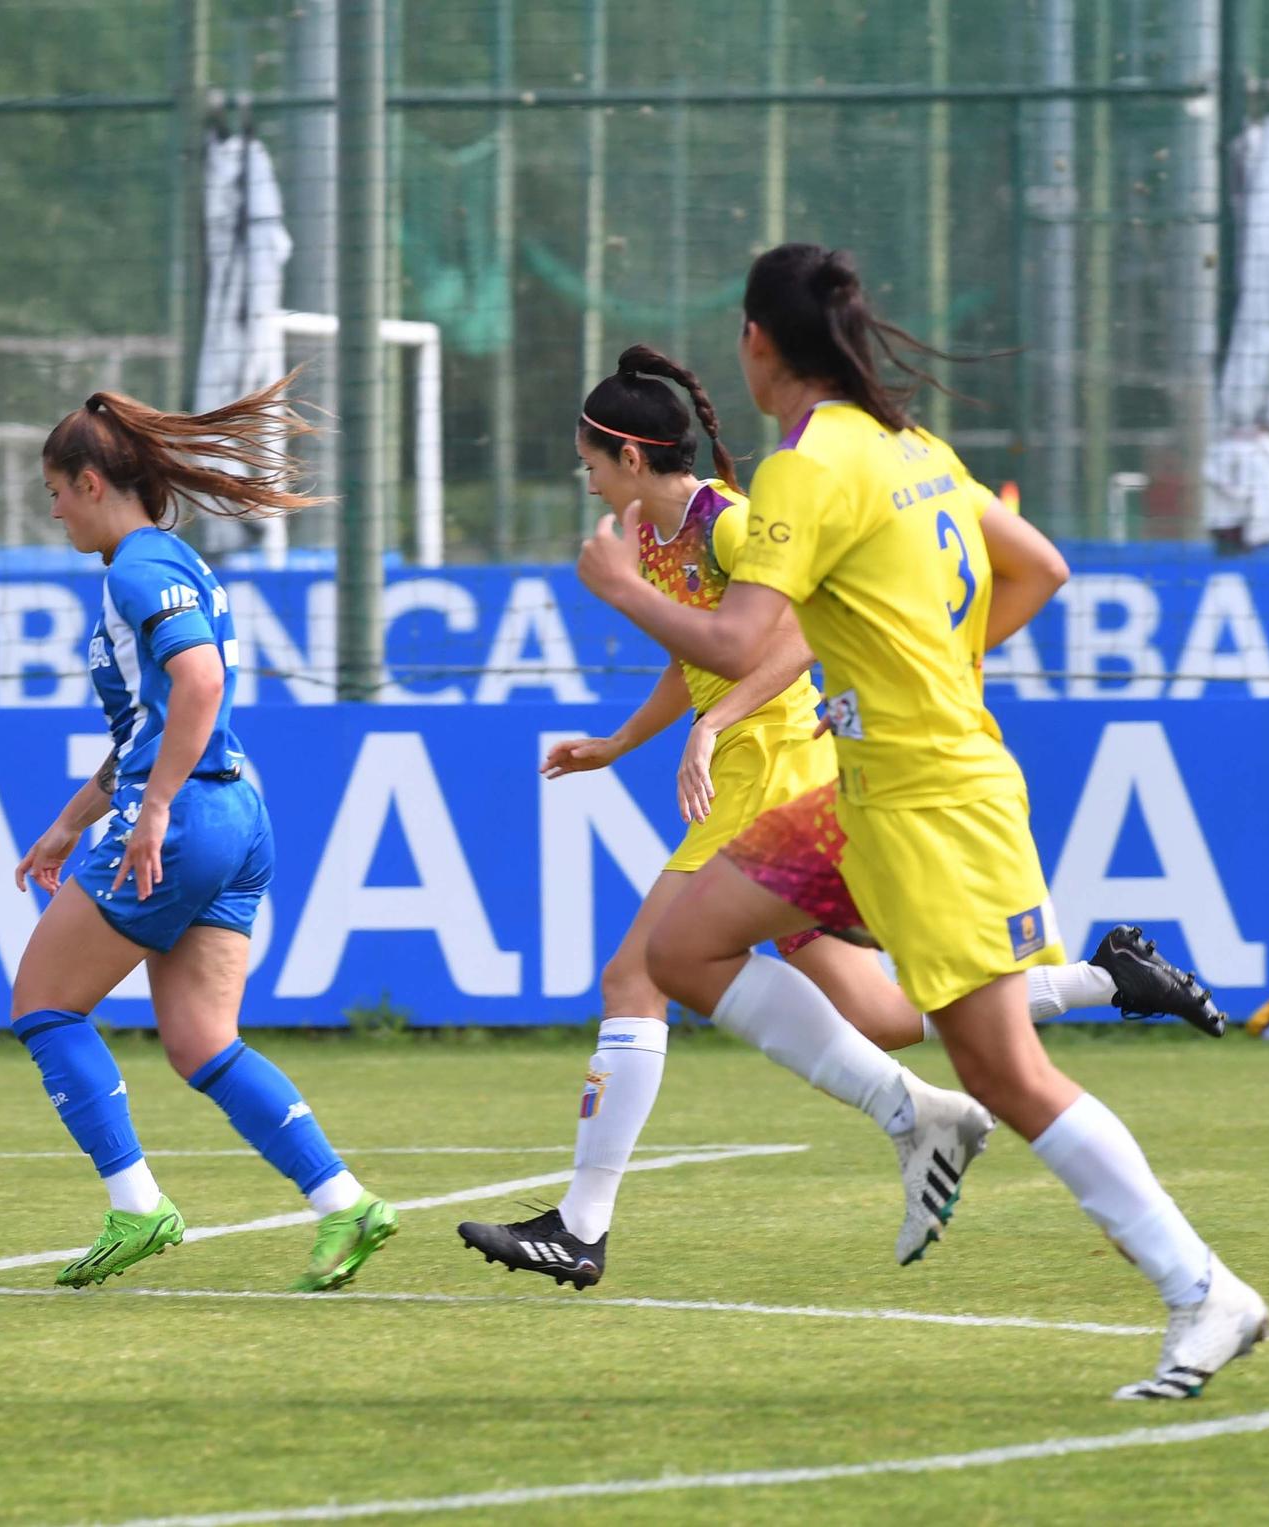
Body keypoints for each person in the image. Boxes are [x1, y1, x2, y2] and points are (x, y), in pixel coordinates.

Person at [576, 244, 1268, 1401]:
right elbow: (1038, 568)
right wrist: (926, 667)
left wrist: (623, 591)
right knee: (680, 948)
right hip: (862, 790)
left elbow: (742, 644)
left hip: (931, 801)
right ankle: (917, 1116)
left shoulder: (805, 470)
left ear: (757, 342)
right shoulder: (910, 448)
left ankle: (1204, 1293)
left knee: (1006, 1071)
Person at [460, 346, 1225, 1291]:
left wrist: (717, 727)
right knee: (886, 1015)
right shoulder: (655, 537)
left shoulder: (730, 522)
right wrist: (620, 743)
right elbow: (693, 656)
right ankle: (1105, 981)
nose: (584, 477)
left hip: (772, 770)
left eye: (587, 460)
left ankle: (581, 1224)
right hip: (768, 769)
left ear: (624, 453)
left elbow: (787, 640)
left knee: (638, 974)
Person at [12, 385, 398, 1290]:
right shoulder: (173, 559)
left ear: (93, 480)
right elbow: (150, 722)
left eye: (57, 491)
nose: (56, 510)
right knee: (199, 1040)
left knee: (43, 1003)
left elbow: (201, 684)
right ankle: (344, 1202)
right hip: (235, 815)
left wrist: (149, 812)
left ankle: (138, 1206)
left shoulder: (133, 571)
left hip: (182, 820)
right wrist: (71, 822)